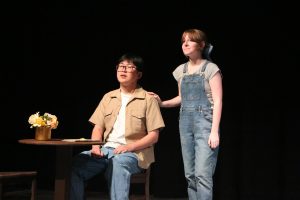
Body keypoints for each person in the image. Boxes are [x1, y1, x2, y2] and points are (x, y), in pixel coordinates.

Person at [70, 53, 165, 200]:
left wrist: (129, 147)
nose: (123, 70)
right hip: (105, 150)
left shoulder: (148, 99)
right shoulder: (108, 97)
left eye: (129, 67)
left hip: (134, 154)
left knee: (118, 164)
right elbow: (98, 127)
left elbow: (153, 136)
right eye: (121, 66)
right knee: (76, 164)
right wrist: (95, 147)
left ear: (138, 74)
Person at [149, 28, 222, 200]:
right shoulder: (180, 70)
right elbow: (182, 98)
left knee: (203, 175)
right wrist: (162, 103)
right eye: (183, 41)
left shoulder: (211, 68)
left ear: (201, 45)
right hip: (185, 123)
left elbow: (218, 101)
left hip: (205, 123)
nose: (186, 44)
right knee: (190, 175)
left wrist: (214, 131)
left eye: (190, 40)